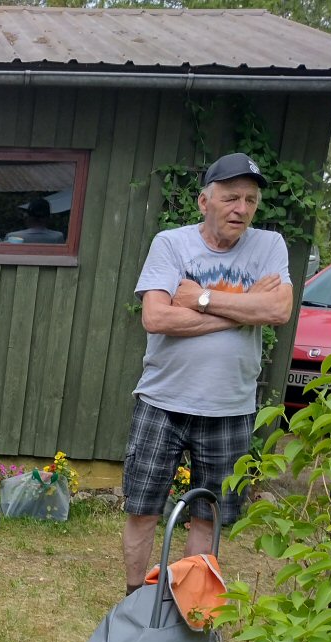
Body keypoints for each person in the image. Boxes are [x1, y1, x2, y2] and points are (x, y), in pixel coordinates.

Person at [121, 152, 293, 594]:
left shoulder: (269, 245)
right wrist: (242, 309)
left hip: (230, 406)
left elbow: (278, 308)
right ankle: (136, 602)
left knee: (209, 513)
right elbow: (156, 318)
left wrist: (199, 299)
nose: (242, 209)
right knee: (143, 509)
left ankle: (192, 607)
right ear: (204, 201)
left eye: (251, 200)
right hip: (163, 399)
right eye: (231, 197)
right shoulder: (171, 244)